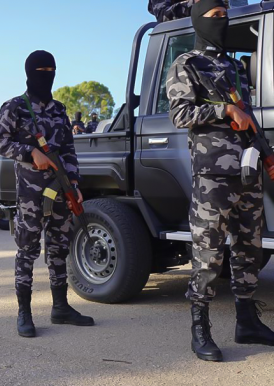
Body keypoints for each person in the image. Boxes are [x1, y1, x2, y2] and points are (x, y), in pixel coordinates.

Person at [166, 0, 274, 362]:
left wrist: (266, 153)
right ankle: (201, 328)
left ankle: (247, 322)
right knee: (209, 255)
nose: (223, 21)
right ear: (200, 21)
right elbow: (180, 114)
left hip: (247, 171)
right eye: (216, 16)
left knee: (249, 249)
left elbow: (249, 117)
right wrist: (223, 110)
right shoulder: (186, 64)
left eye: (226, 15)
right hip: (213, 177)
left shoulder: (233, 66)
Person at [0, 50, 94, 338]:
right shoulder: (15, 107)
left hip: (61, 190)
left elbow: (69, 150)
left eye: (52, 69)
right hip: (31, 193)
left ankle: (60, 307)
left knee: (59, 247)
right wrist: (30, 151)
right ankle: (24, 313)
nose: (47, 74)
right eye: (42, 70)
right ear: (29, 73)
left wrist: (74, 182)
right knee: (27, 250)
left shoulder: (59, 109)